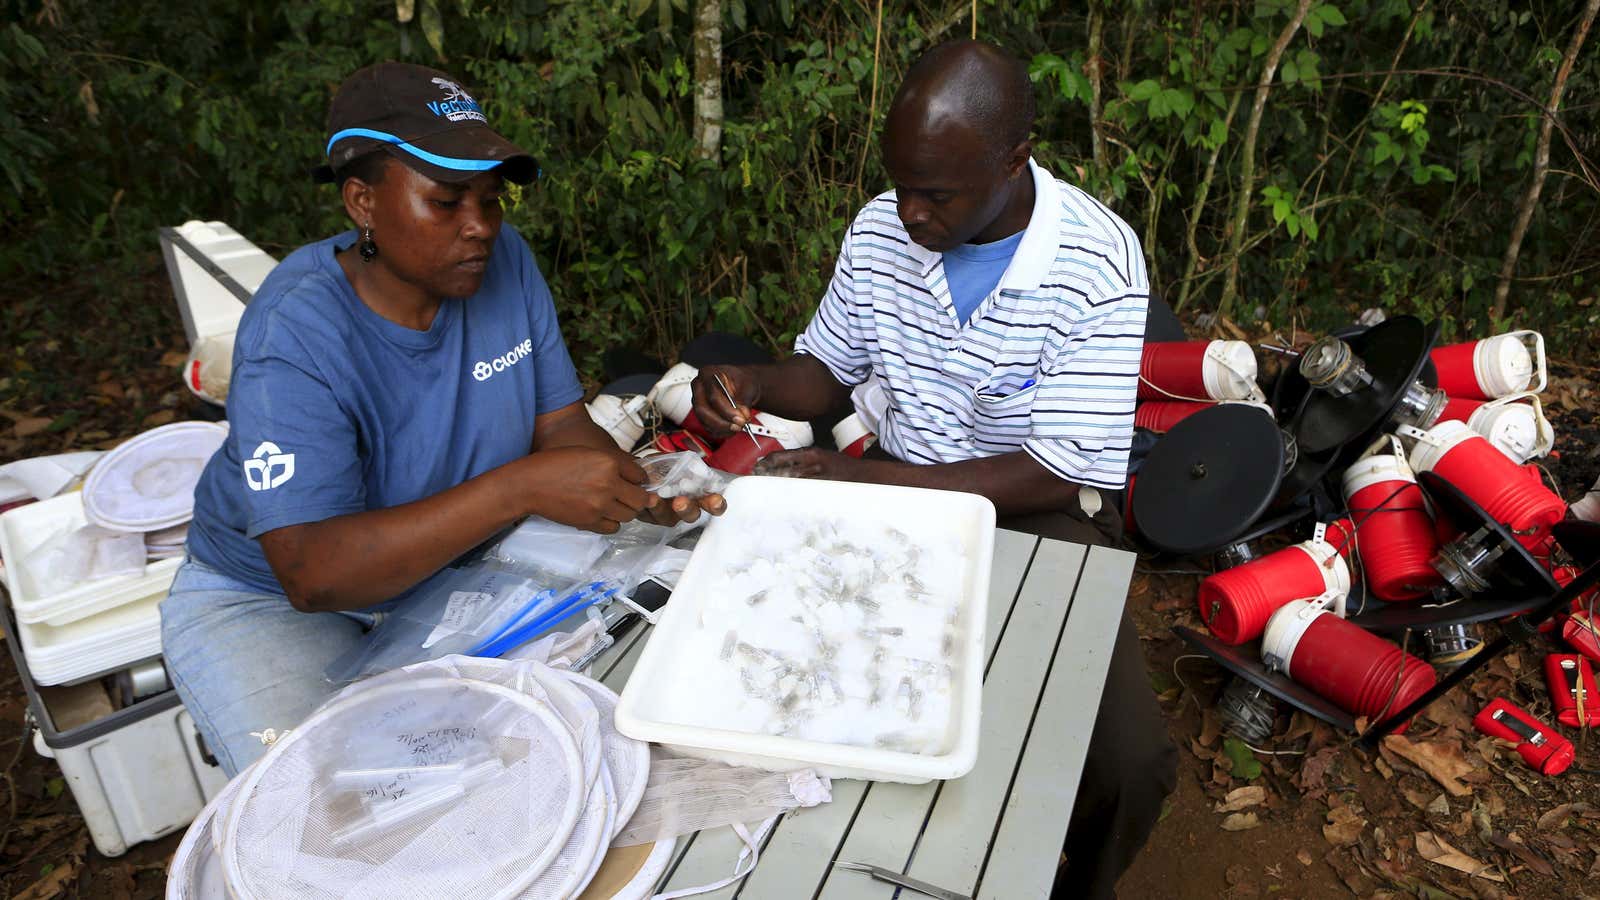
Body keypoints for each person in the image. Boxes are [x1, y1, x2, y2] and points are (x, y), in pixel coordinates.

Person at [689, 41, 1177, 899]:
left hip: (1039, 513)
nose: (910, 213)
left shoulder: (1096, 262)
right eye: (901, 184)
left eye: (937, 194)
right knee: (824, 695)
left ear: (1012, 159)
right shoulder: (883, 229)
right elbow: (825, 375)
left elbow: (1054, 474)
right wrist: (756, 381)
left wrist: (864, 482)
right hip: (895, 486)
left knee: (1131, 765)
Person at [162, 62, 718, 777]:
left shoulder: (504, 264)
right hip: (269, 602)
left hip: (450, 567)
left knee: (564, 743)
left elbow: (558, 428)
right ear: (362, 201)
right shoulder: (295, 332)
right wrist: (522, 489)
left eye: (491, 201)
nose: (479, 227)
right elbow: (313, 571)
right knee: (340, 806)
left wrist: (628, 490)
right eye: (447, 201)